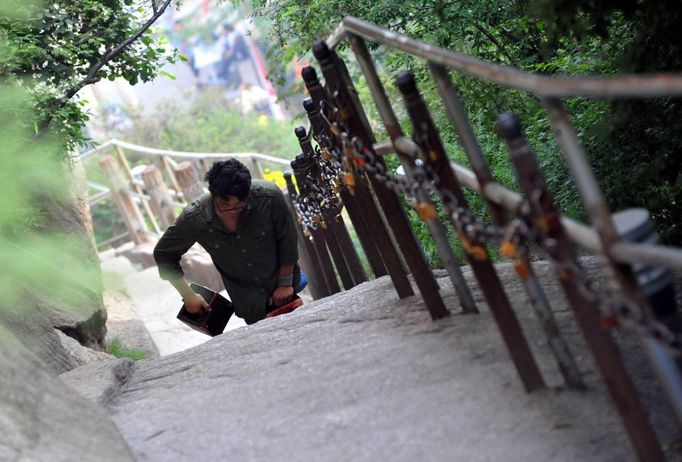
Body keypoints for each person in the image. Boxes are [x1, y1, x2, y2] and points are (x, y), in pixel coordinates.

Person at [154, 159, 306, 324]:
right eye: (225, 205)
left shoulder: (268, 197)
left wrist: (285, 284)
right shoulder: (195, 218)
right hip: (250, 305)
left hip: (288, 291)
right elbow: (163, 254)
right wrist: (188, 295)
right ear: (212, 193)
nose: (233, 211)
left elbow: (287, 239)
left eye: (240, 205)